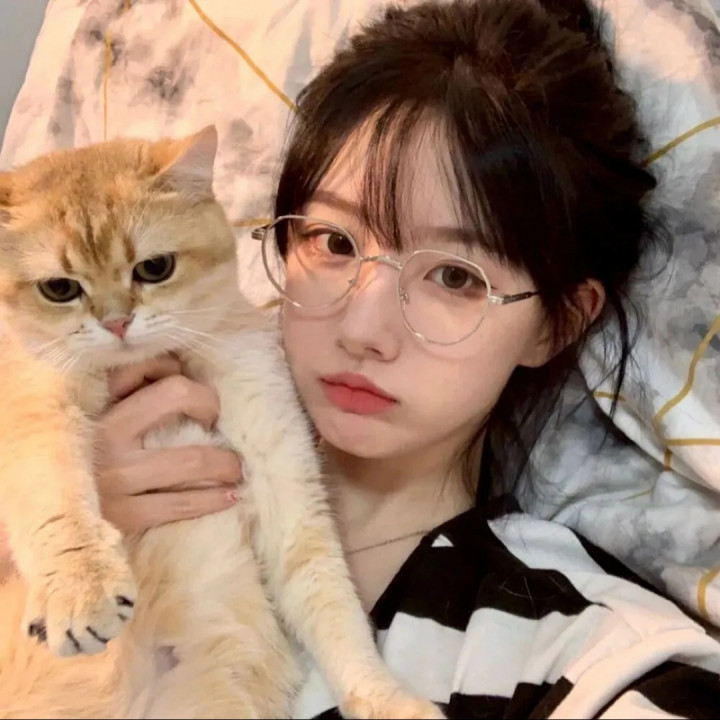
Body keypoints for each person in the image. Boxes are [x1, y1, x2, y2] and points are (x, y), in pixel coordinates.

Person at [2, 0, 719, 717]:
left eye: (456, 276)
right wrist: (49, 524)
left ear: (557, 324)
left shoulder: (603, 662)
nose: (363, 327)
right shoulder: (52, 507)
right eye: (334, 242)